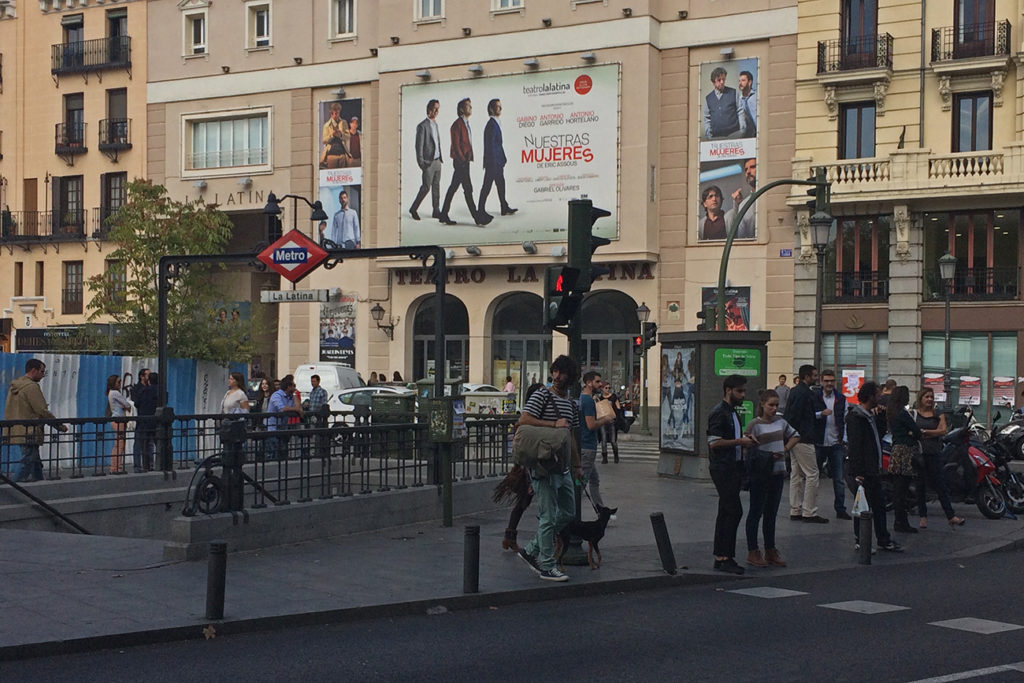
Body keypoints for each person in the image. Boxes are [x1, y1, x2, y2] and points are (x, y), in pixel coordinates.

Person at [516, 355, 581, 583]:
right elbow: (524, 419)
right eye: (554, 371)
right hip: (543, 466)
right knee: (548, 516)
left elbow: (571, 435)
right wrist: (553, 424)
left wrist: (577, 464)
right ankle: (547, 564)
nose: (556, 377)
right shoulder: (542, 395)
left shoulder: (572, 403)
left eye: (561, 373)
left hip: (563, 468)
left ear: (570, 377)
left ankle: (532, 549)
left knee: (568, 512)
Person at [707, 373, 757, 574]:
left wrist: (743, 440)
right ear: (728, 390)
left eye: (744, 391)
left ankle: (722, 555)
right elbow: (714, 442)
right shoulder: (721, 413)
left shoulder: (731, 412)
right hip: (723, 467)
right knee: (732, 510)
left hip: (731, 466)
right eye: (740, 391)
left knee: (727, 511)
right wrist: (740, 442)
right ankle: (725, 556)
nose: (743, 395)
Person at [744, 389, 799, 567]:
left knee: (771, 513)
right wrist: (764, 456)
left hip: (778, 472)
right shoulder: (754, 425)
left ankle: (770, 549)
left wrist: (784, 449)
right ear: (762, 404)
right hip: (761, 474)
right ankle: (753, 550)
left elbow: (796, 435)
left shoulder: (780, 422)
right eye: (771, 405)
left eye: (776, 405)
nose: (774, 409)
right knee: (756, 512)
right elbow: (747, 448)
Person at [846, 381, 902, 553]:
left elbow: (879, 434)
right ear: (870, 396)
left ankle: (883, 538)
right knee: (863, 505)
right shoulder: (856, 417)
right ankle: (860, 539)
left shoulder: (870, 415)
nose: (880, 397)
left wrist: (881, 417)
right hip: (864, 470)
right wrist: (858, 472)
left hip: (873, 468)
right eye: (877, 394)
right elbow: (855, 446)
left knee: (878, 505)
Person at [6, 359, 68, 482]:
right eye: (42, 371)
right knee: (28, 460)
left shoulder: (15, 386)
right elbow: (41, 410)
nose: (43, 375)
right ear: (33, 370)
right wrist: (59, 426)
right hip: (30, 430)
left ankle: (40, 482)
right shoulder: (31, 387)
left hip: (16, 428)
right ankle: (12, 486)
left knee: (35, 461)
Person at [783, 364, 829, 523]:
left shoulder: (794, 392)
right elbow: (798, 416)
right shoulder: (805, 394)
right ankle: (809, 511)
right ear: (807, 377)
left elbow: (791, 415)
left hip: (795, 437)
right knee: (812, 474)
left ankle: (795, 509)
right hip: (803, 438)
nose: (816, 379)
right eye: (814, 376)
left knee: (796, 474)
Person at [913, 387, 965, 528]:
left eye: (931, 396)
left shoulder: (938, 414)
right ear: (921, 398)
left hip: (934, 453)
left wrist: (925, 432)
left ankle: (951, 516)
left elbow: (942, 431)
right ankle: (923, 517)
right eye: (926, 397)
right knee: (920, 485)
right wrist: (928, 433)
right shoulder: (914, 414)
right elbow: (912, 431)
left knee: (941, 485)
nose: (929, 399)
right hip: (919, 454)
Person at [439, 98, 491, 227]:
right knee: (468, 189)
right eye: (468, 106)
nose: (471, 107)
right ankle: (478, 218)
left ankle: (443, 214)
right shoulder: (457, 124)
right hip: (460, 161)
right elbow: (456, 145)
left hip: (465, 161)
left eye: (470, 105)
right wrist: (462, 160)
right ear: (462, 109)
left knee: (454, 187)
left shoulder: (466, 123)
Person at [815, 369, 851, 520]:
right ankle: (810, 508)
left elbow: (845, 419)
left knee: (839, 478)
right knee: (813, 477)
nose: (829, 383)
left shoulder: (841, 398)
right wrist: (819, 414)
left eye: (832, 381)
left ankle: (840, 509)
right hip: (819, 442)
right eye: (827, 381)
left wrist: (843, 439)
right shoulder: (815, 397)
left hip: (836, 443)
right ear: (822, 381)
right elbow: (808, 414)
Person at [887, 385, 921, 534]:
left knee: (898, 489)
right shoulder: (903, 413)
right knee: (903, 488)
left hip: (896, 450)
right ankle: (902, 522)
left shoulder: (892, 412)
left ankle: (899, 520)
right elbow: (917, 431)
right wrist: (911, 434)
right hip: (905, 451)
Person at [579, 370, 613, 511]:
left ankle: (601, 509)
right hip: (588, 447)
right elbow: (591, 425)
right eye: (597, 381)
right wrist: (605, 419)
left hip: (584, 445)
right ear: (588, 383)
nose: (600, 384)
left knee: (594, 479)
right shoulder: (587, 400)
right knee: (581, 481)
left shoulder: (583, 398)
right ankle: (572, 512)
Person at [477, 98, 516, 218]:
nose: (500, 108)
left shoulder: (496, 123)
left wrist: (503, 158)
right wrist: (494, 163)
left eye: (500, 106)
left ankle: (504, 206)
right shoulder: (491, 125)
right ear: (491, 109)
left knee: (501, 184)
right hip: (493, 162)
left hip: (498, 161)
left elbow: (498, 144)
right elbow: (490, 146)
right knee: (487, 186)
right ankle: (481, 210)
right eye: (498, 106)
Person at [409, 99, 443, 221]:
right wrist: (422, 163)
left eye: (438, 108)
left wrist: (440, 158)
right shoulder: (422, 126)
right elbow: (418, 147)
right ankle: (414, 208)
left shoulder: (436, 124)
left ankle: (436, 210)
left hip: (438, 161)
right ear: (429, 110)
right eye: (435, 108)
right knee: (426, 187)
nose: (437, 111)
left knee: (436, 186)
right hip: (428, 163)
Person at [702, 66, 746, 139]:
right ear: (713, 82)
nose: (722, 82)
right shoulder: (708, 99)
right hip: (716, 138)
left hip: (735, 134)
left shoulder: (734, 93)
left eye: (723, 79)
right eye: (719, 80)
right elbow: (707, 118)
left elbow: (740, 111)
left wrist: (742, 130)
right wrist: (708, 135)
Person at [265, 377, 302, 460]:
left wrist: (295, 394)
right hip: (273, 429)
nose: (295, 387)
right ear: (288, 386)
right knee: (273, 454)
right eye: (294, 385)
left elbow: (298, 408)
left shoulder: (291, 396)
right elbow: (282, 408)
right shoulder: (276, 395)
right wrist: (296, 410)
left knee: (283, 454)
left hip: (283, 430)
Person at [132, 368, 158, 472]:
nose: (149, 377)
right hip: (143, 420)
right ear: (142, 376)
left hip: (148, 420)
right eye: (147, 374)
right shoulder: (138, 388)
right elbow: (136, 402)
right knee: (139, 443)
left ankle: (149, 464)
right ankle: (138, 466)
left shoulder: (147, 388)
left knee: (149, 444)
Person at [106, 374, 132, 474]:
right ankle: (117, 467)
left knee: (117, 445)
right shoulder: (116, 393)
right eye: (118, 382)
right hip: (119, 419)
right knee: (120, 445)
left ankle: (114, 467)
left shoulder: (110, 393)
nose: (120, 384)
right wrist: (127, 406)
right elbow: (126, 404)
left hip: (115, 419)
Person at [729, 158, 757, 239]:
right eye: (746, 169)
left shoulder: (770, 196)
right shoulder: (743, 205)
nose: (748, 172)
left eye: (752, 167)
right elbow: (741, 238)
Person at [320, 101, 351, 168]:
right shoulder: (326, 125)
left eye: (338, 113)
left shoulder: (343, 122)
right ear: (331, 113)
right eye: (335, 113)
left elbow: (348, 136)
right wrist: (332, 135)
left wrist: (341, 135)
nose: (337, 115)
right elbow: (324, 140)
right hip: (331, 155)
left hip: (342, 153)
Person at [599, 380, 622, 464]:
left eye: (609, 388)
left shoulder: (613, 397)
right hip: (603, 421)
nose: (608, 389)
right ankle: (604, 458)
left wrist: (617, 418)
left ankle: (616, 455)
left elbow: (618, 408)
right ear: (602, 389)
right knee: (603, 440)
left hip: (612, 421)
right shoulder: (599, 398)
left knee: (613, 441)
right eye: (606, 388)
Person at [738, 69, 757, 137]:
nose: (740, 83)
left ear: (749, 82)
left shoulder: (757, 97)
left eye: (743, 80)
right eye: (739, 81)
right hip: (749, 135)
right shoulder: (739, 100)